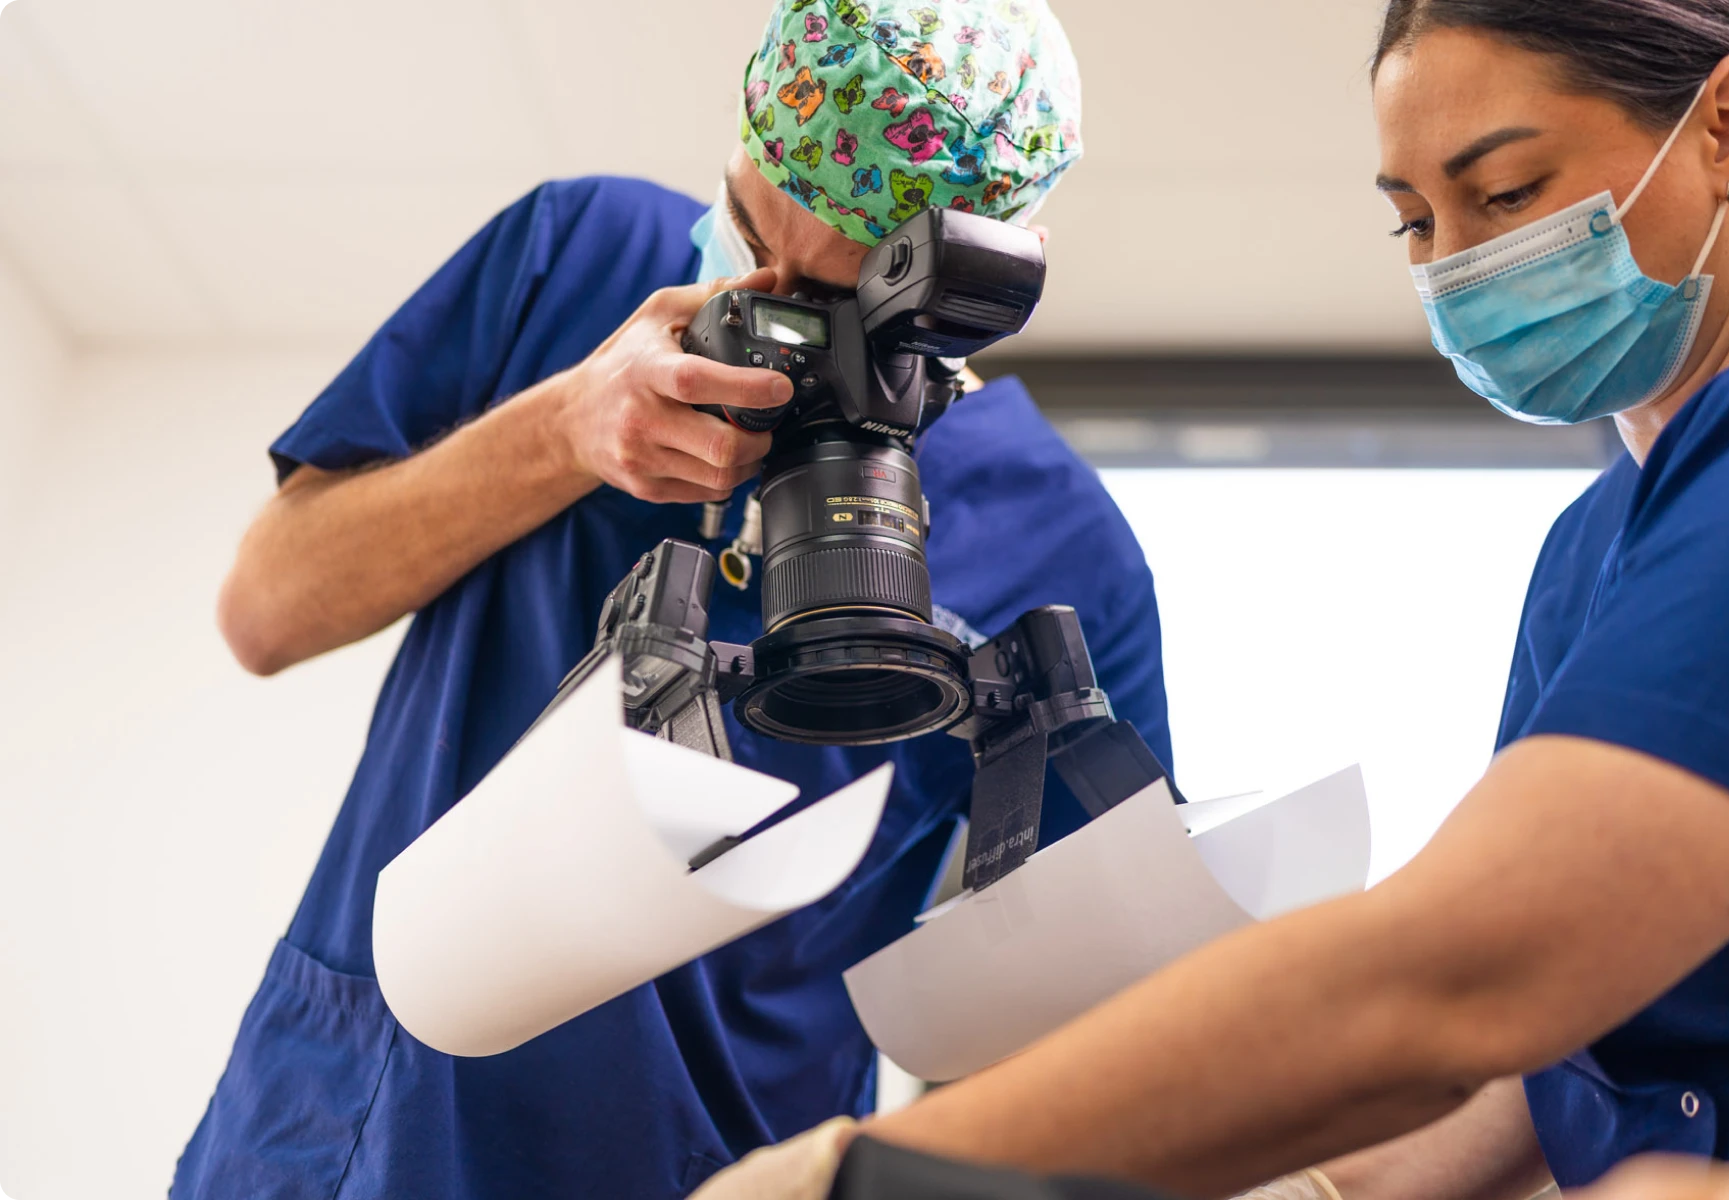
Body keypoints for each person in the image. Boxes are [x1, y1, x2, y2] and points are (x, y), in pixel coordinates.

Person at [690, 1, 1729, 1197]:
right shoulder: (1593, 545)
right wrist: (1323, 1184)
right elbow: (1555, 1049)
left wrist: (866, 1174)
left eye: (1504, 193)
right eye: (1415, 221)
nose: (1453, 267)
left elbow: (1474, 973)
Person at [169, 3, 1166, 1198]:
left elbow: (1099, 1017)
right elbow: (266, 609)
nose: (789, 338)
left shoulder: (1067, 549)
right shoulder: (579, 255)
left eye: (855, 320)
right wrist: (563, 430)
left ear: (987, 273)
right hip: (364, 1123)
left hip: (725, 1162)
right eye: (757, 259)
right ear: (741, 143)